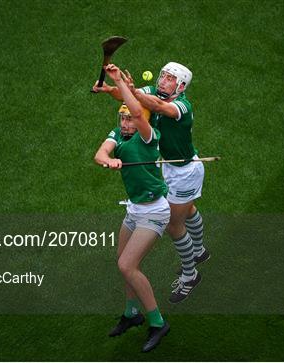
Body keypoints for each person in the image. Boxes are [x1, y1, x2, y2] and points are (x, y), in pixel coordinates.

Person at [93, 62, 209, 304]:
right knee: (187, 210)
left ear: (181, 86)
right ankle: (198, 251)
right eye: (163, 76)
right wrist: (110, 89)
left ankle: (190, 275)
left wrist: (133, 92)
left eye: (169, 79)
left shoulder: (181, 106)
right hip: (171, 166)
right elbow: (126, 99)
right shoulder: (152, 92)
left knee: (174, 226)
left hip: (184, 171)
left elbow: (158, 107)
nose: (163, 81)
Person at [94, 63, 170, 352]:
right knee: (122, 262)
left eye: (129, 119)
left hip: (154, 210)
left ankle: (158, 322)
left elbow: (138, 111)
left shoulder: (148, 138)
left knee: (127, 265)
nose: (125, 122)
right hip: (135, 209)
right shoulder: (118, 134)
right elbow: (99, 153)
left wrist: (119, 84)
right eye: (122, 118)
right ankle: (131, 314)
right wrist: (108, 160)